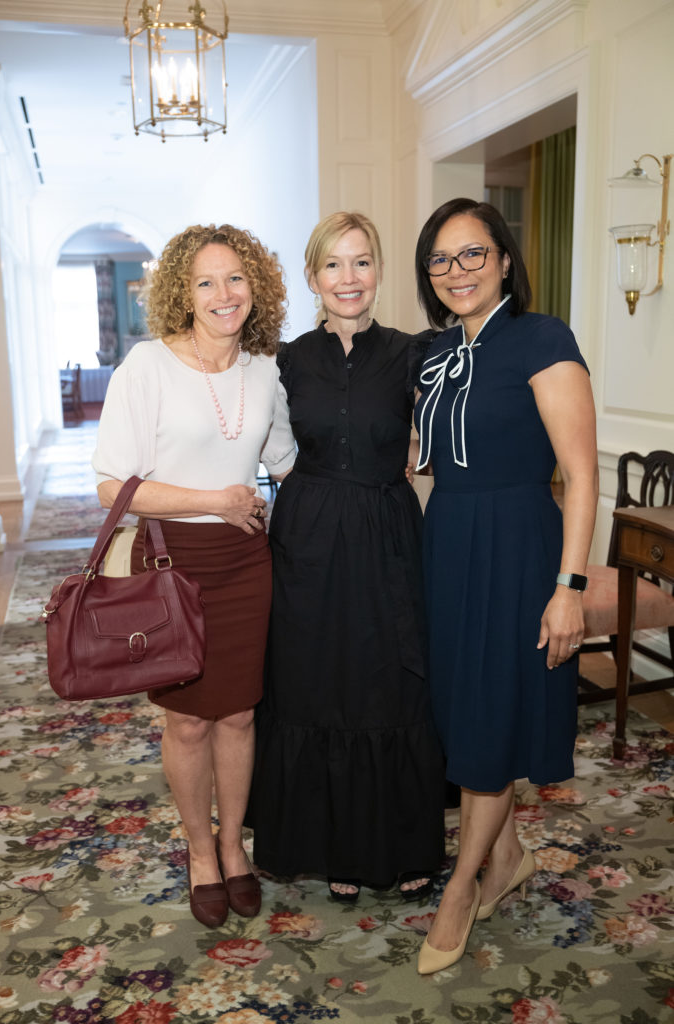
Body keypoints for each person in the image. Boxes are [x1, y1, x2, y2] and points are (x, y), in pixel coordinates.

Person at [411, 198, 598, 973]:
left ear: (505, 260)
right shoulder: (432, 353)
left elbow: (584, 475)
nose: (458, 271)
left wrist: (571, 587)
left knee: (489, 718)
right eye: (442, 260)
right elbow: (420, 464)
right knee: (464, 715)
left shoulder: (542, 338)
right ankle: (510, 855)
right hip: (448, 545)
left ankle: (461, 891)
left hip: (518, 548)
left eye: (473, 255)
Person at [92, 224, 296, 928]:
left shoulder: (265, 368)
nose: (223, 294)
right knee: (185, 723)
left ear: (256, 287)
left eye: (235, 278)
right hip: (171, 562)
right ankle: (199, 852)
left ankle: (234, 844)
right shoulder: (146, 369)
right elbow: (113, 486)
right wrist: (217, 501)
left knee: (239, 713)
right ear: (183, 290)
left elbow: (289, 457)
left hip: (245, 563)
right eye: (206, 281)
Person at [248, 211, 445, 902]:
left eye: (361, 262)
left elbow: (445, 426)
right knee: (317, 682)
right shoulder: (288, 359)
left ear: (379, 271)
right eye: (333, 265)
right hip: (307, 538)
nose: (348, 278)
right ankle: (334, 850)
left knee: (392, 680)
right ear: (312, 278)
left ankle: (406, 843)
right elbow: (268, 445)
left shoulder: (412, 352)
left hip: (388, 532)